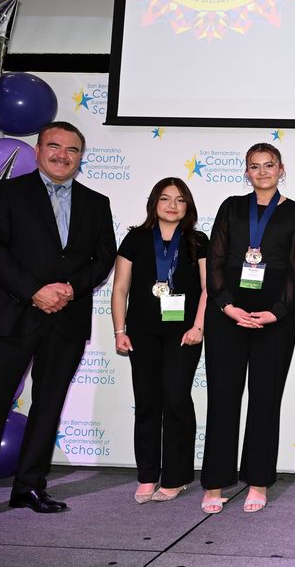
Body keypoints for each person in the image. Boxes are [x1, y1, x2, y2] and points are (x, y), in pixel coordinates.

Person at [0, 121, 116, 533]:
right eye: (54, 146)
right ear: (38, 150)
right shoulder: (7, 193)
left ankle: (29, 486)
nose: (62, 155)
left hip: (67, 319)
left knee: (48, 405)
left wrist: (70, 290)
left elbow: (103, 257)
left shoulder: (96, 202)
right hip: (12, 316)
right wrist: (35, 291)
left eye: (72, 150)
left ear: (81, 157)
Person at [200, 143, 295, 514]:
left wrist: (276, 312)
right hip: (227, 313)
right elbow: (215, 259)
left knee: (265, 399)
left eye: (269, 165)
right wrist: (228, 306)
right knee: (223, 397)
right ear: (246, 172)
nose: (262, 172)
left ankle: (258, 481)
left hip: (274, 319)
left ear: (282, 169)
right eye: (254, 166)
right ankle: (214, 482)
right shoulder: (231, 206)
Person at [111, 177, 208, 504]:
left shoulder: (198, 241)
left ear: (187, 206)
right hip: (142, 333)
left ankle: (177, 476)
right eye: (165, 198)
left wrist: (198, 326)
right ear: (154, 203)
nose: (172, 205)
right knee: (147, 402)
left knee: (176, 398)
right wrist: (120, 331)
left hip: (184, 335)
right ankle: (148, 475)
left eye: (179, 200)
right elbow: (120, 288)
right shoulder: (135, 239)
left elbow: (208, 289)